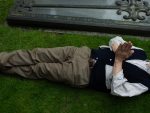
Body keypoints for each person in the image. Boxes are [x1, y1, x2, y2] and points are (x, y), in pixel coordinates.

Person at [0, 36, 150, 97]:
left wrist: (118, 60)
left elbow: (117, 89)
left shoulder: (145, 83)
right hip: (82, 52)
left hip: (82, 74)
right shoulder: (142, 54)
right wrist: (117, 48)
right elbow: (115, 39)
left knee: (39, 69)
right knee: (37, 54)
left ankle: (6, 68)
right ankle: (2, 59)